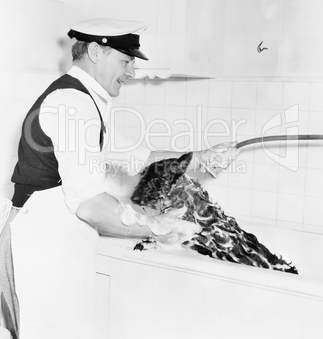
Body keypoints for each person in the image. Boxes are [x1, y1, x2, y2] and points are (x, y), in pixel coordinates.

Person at [1, 18, 239, 339]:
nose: (131, 72)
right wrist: (159, 226)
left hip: (58, 245)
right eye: (126, 61)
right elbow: (91, 206)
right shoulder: (71, 104)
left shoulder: (87, 99)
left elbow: (136, 157)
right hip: (42, 250)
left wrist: (198, 157)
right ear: (97, 52)